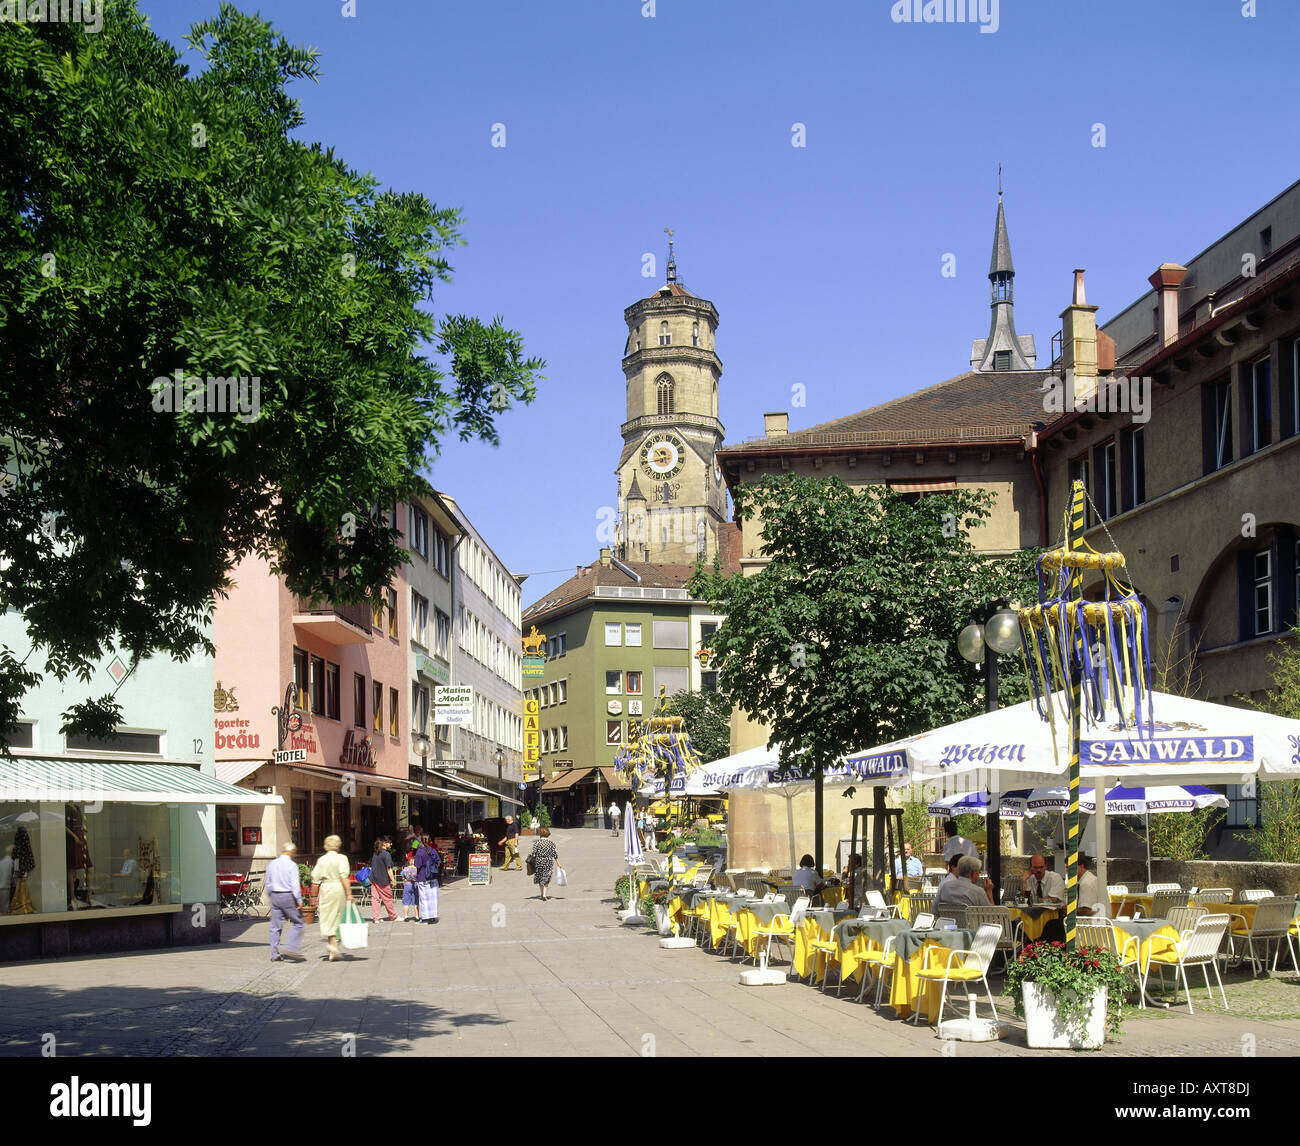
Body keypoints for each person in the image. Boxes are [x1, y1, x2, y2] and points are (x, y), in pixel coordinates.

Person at [310, 834, 353, 961]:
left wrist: (313, 897)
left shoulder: (321, 860)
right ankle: (334, 946)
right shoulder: (342, 858)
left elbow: (315, 880)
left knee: (327, 916)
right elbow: (344, 877)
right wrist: (349, 893)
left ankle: (332, 945)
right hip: (338, 888)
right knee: (339, 915)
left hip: (326, 889)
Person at [264, 841, 306, 962]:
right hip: (287, 896)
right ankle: (291, 947)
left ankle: (275, 954)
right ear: (292, 852)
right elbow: (294, 885)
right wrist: (299, 900)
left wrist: (270, 896)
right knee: (298, 922)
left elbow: (268, 882)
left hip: (275, 896)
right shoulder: (292, 865)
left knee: (275, 927)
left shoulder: (272, 864)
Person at [369, 837, 398, 923]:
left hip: (373, 879)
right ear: (384, 843)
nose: (391, 844)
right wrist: (393, 880)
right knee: (387, 899)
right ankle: (393, 916)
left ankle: (376, 918)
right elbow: (389, 869)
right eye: (389, 842)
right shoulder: (386, 854)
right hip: (383, 880)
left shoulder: (375, 853)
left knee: (375, 899)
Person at [414, 833, 441, 924]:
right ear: (429, 841)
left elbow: (417, 865)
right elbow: (439, 862)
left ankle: (425, 918)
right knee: (433, 898)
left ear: (421, 840)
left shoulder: (420, 851)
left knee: (424, 899)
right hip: (433, 877)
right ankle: (433, 917)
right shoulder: (433, 850)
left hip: (422, 877)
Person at [530, 826, 559, 901]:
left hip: (539, 861)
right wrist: (558, 863)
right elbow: (554, 854)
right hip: (548, 862)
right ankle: (544, 895)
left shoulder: (537, 843)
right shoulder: (551, 843)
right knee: (546, 878)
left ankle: (541, 893)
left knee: (540, 878)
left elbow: (533, 853)